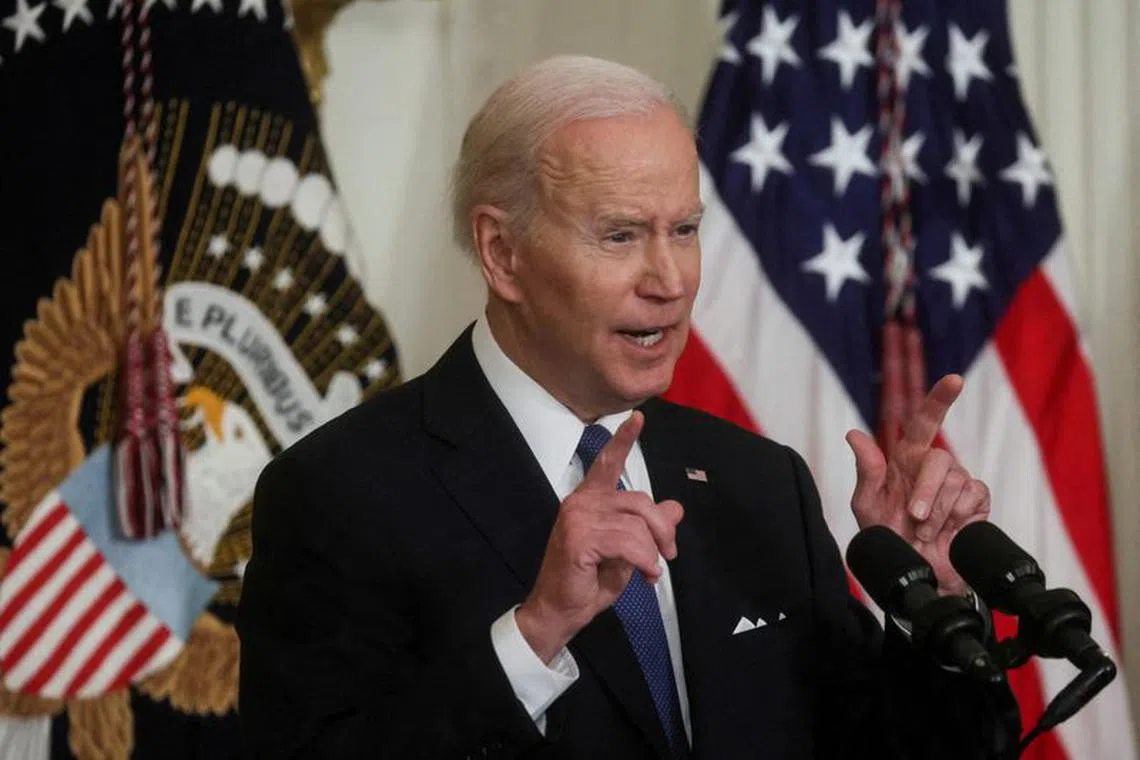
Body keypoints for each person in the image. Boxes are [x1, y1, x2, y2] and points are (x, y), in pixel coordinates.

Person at [236, 55, 1015, 758]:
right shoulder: (340, 492)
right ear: (502, 253)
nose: (669, 278)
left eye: (684, 229)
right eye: (620, 235)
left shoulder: (759, 483)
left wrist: (932, 605)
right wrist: (535, 633)